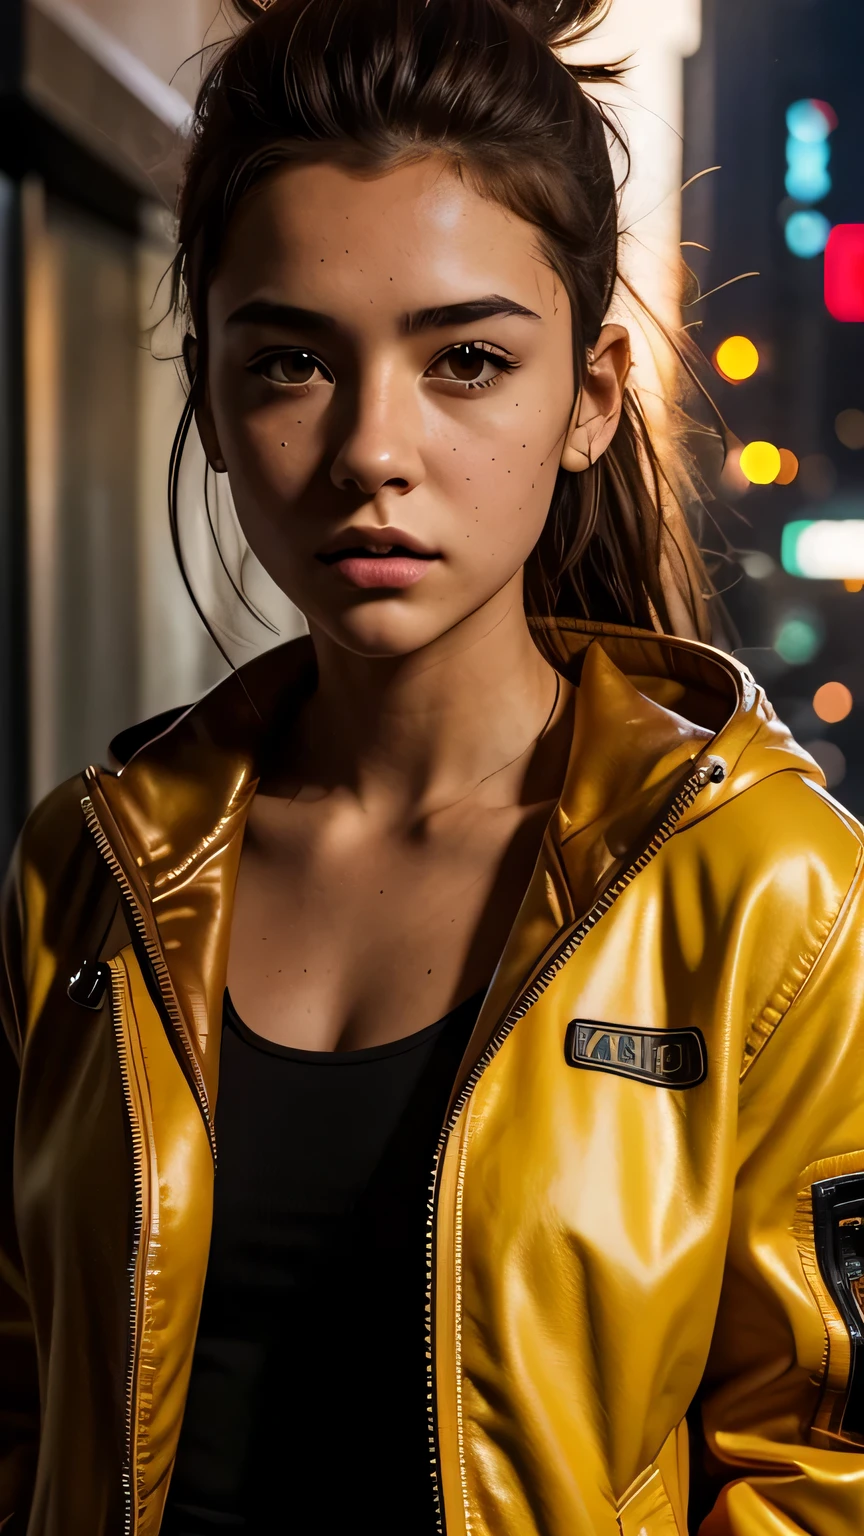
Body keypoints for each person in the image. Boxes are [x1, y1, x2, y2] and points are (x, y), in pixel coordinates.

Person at [3, 0, 864, 1531]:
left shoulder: (769, 890)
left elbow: (820, 1470)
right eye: (290, 367)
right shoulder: (91, 867)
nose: (370, 454)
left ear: (590, 397)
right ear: (205, 391)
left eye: (464, 360)